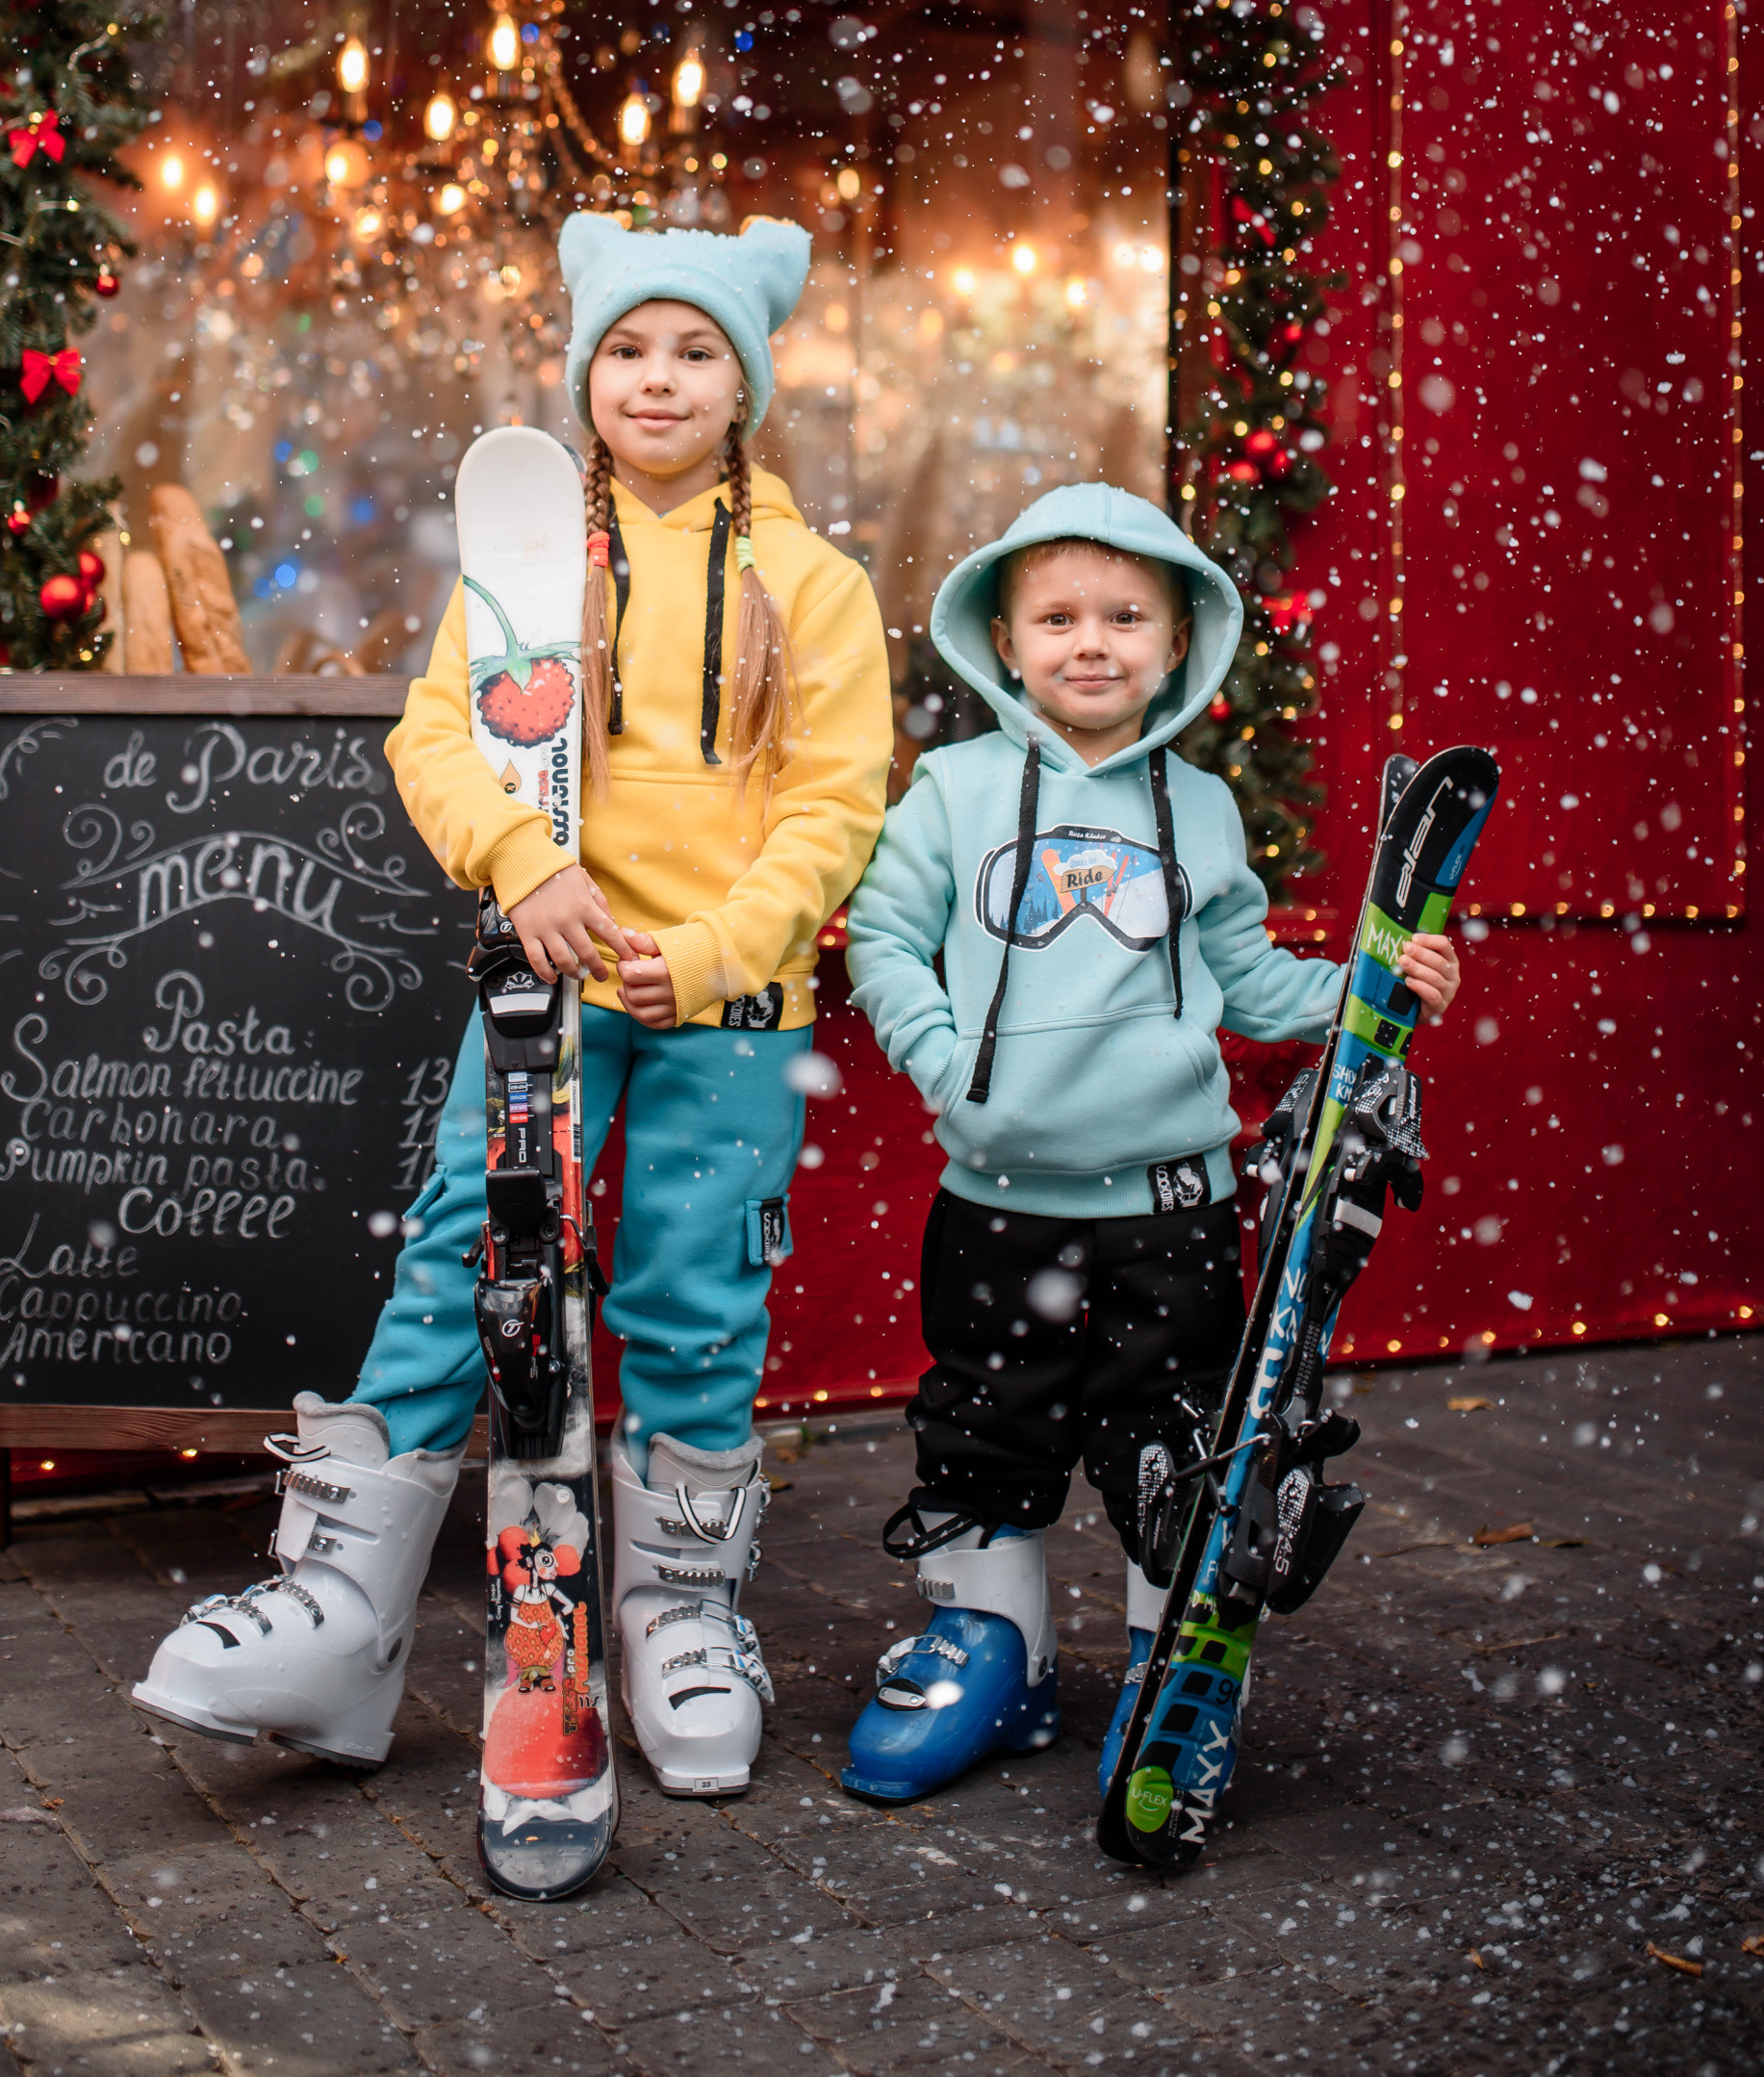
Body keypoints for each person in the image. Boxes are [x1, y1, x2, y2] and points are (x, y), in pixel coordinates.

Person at [135, 215, 894, 1793]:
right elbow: (437, 742)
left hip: (732, 1009)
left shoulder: (812, 586)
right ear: (587, 372)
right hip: (542, 986)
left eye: (695, 352)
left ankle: (680, 1613)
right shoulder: (527, 564)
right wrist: (522, 865)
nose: (659, 379)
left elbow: (837, 808)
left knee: (695, 1297)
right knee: (454, 1262)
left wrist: (716, 947)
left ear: (745, 383)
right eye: (627, 349)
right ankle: (343, 1614)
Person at [836, 482, 1460, 1808]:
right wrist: (946, 1063)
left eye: (1128, 616)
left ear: (1182, 645)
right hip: (997, 1202)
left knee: (1172, 1443)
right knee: (984, 1429)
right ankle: (989, 1653)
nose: (1092, 642)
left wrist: (1372, 986)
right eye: (1057, 616)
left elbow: (1245, 979)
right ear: (1003, 640)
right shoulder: (949, 792)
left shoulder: (1206, 810)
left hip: (1172, 1207)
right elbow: (885, 937)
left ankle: (1164, 1667)